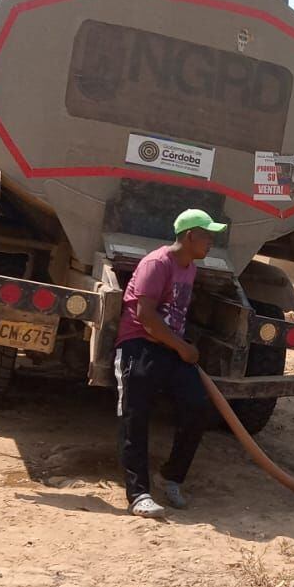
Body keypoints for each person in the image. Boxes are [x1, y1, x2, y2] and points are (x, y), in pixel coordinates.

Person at [114, 209, 227, 518]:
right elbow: (146, 317)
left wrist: (180, 347)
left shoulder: (189, 268)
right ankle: (138, 494)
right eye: (208, 236)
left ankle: (171, 476)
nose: (212, 243)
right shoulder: (156, 264)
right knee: (135, 416)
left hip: (171, 348)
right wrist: (183, 348)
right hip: (140, 345)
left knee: (198, 407)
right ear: (190, 236)